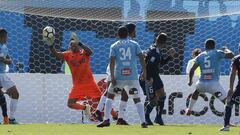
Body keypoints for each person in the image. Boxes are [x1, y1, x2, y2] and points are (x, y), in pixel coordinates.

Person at [97, 26, 147, 128]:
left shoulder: (114, 46)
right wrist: (144, 72)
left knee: (110, 96)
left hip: (119, 77)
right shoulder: (134, 44)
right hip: (132, 77)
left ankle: (106, 120)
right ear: (128, 34)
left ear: (118, 35)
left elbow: (112, 61)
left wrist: (112, 76)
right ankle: (143, 122)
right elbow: (142, 58)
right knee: (137, 99)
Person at [46, 32, 102, 119]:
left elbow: (90, 52)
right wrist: (50, 46)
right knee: (70, 104)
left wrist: (80, 43)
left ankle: (114, 115)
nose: (72, 47)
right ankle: (85, 107)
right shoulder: (67, 55)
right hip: (78, 86)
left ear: (79, 46)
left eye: (75, 45)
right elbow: (56, 55)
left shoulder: (84, 53)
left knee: (102, 100)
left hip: (90, 84)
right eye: (71, 45)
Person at [186, 39, 234, 116]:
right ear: (214, 45)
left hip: (201, 83)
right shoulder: (217, 52)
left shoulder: (200, 56)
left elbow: (192, 70)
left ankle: (189, 109)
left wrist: (190, 81)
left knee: (196, 92)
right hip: (213, 85)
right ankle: (227, 122)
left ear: (205, 46)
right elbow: (232, 55)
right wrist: (225, 49)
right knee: (227, 102)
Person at [139, 33, 176, 125]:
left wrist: (170, 56)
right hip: (149, 78)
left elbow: (160, 63)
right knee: (153, 101)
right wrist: (148, 77)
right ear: (164, 43)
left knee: (162, 96)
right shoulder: (153, 51)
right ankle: (146, 117)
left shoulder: (156, 50)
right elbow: (148, 64)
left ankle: (158, 118)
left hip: (155, 76)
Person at [0, 28, 20, 124]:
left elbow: (8, 59)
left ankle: (11, 119)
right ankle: (8, 119)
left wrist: (6, 60)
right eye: (6, 36)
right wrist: (6, 60)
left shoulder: (4, 47)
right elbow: (4, 60)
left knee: (15, 94)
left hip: (2, 75)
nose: (7, 38)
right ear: (2, 36)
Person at [220, 44, 240, 131]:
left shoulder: (236, 59)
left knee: (229, 103)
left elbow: (232, 74)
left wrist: (230, 88)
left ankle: (226, 126)